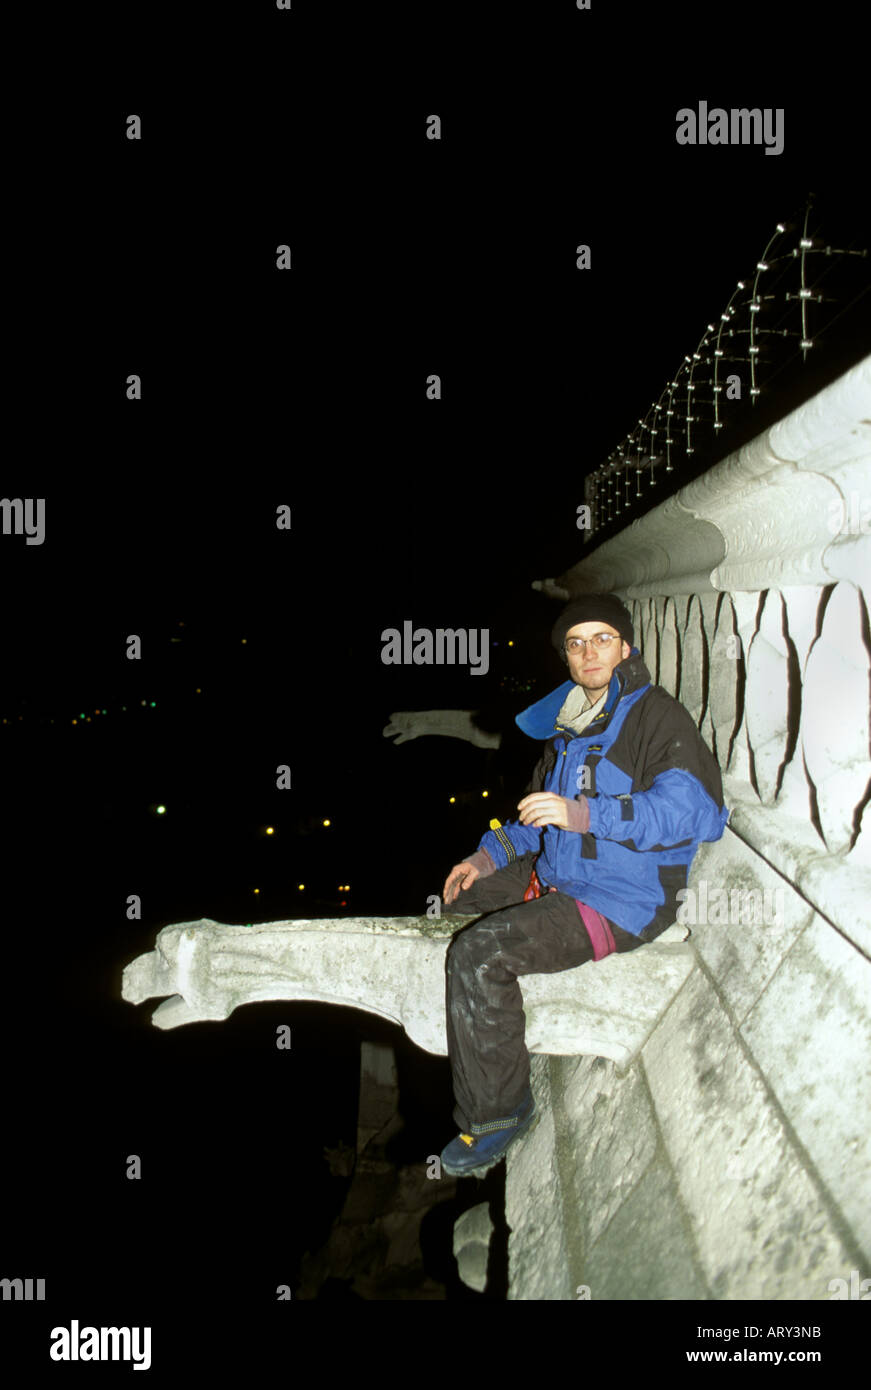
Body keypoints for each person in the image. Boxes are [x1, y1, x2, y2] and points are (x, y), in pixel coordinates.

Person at [438, 593, 729, 1177]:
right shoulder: (572, 721)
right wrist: (488, 856)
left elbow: (695, 814)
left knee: (478, 954)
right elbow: (535, 814)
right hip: (562, 872)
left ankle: (500, 1113)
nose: (588, 652)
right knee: (458, 900)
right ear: (566, 658)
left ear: (625, 647)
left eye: (601, 639)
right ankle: (492, 1013)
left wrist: (587, 816)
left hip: (624, 899)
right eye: (575, 643)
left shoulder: (653, 716)